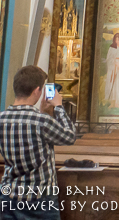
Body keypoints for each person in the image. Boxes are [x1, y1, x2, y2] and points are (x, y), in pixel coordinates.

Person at [0, 66, 76, 219]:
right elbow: (70, 136)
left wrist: (43, 112)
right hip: (40, 200)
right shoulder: (42, 121)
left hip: (9, 196)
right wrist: (58, 106)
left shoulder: (2, 118)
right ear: (37, 90)